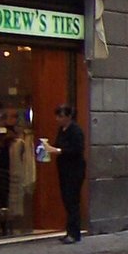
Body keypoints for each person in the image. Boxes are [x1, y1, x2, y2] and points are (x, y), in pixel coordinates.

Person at [47, 104, 87, 243]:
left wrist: (58, 151)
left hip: (74, 171)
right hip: (64, 170)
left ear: (69, 116)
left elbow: (76, 149)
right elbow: (59, 145)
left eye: (61, 116)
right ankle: (70, 230)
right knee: (67, 200)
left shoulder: (75, 131)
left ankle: (74, 233)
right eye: (57, 116)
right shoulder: (61, 130)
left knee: (72, 200)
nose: (58, 119)